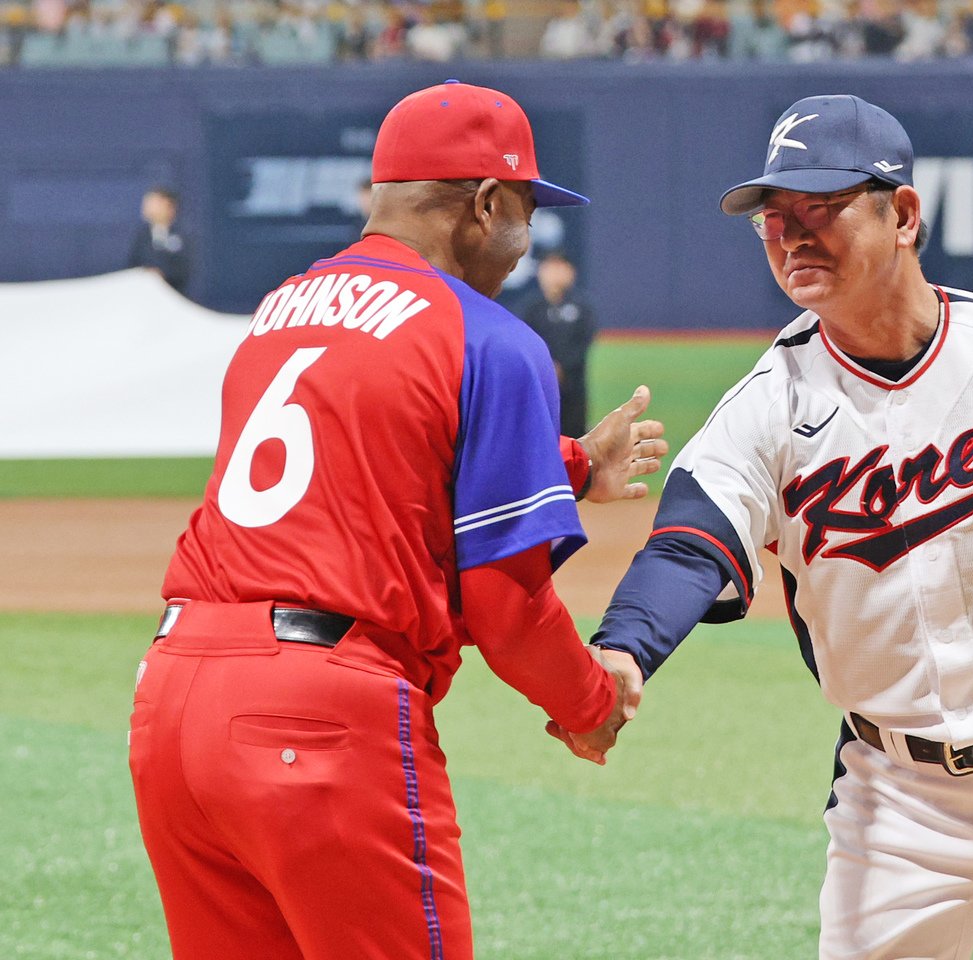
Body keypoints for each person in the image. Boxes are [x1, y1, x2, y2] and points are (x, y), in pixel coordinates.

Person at [567, 95, 973, 959]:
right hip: (894, 793)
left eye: (822, 209)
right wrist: (624, 647)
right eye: (775, 220)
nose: (793, 237)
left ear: (905, 214)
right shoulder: (767, 406)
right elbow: (692, 545)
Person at [127, 81, 659, 960]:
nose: (529, 238)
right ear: (484, 205)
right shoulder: (489, 336)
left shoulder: (280, 311)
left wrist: (567, 464)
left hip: (174, 702)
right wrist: (590, 701)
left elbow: (364, 458)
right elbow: (506, 606)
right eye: (525, 208)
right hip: (318, 720)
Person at [521, 251, 597, 438]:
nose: (554, 274)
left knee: (575, 438)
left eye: (560, 268)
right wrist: (547, 365)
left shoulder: (581, 308)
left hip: (573, 389)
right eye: (549, 268)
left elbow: (584, 342)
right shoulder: (532, 309)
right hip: (540, 386)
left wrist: (562, 366)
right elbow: (525, 343)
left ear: (571, 272)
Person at [128, 186, 191, 294]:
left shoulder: (183, 236)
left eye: (153, 203)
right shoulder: (141, 236)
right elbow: (132, 265)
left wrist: (161, 274)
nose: (147, 207)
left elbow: (184, 270)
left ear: (168, 205)